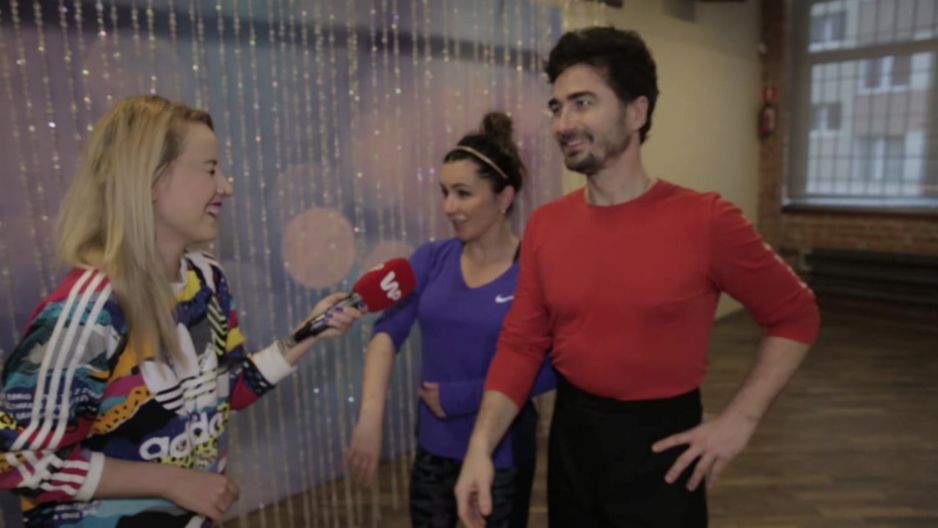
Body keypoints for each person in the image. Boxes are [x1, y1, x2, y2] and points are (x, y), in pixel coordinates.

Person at [454, 27, 821, 527]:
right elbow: (522, 342)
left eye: (583, 103)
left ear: (636, 112)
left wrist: (742, 419)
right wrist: (481, 445)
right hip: (572, 440)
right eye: (557, 107)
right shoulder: (546, 225)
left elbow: (796, 315)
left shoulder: (705, 220)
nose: (564, 123)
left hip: (664, 449)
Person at [0, 95, 361, 527]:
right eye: (210, 170)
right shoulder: (88, 312)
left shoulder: (207, 279)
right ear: (151, 179)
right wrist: (172, 482)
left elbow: (229, 388)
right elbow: (17, 459)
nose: (226, 186)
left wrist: (309, 333)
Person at [345, 112, 555, 527]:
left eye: (463, 193)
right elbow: (387, 333)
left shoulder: (533, 270)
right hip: (433, 448)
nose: (448, 207)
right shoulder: (431, 259)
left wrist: (466, 396)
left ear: (504, 197)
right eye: (445, 192)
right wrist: (370, 418)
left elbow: (554, 364)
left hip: (502, 453)